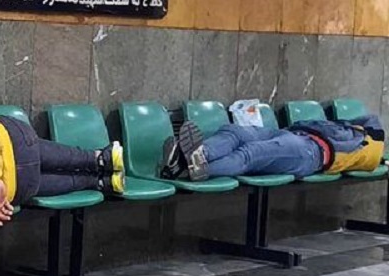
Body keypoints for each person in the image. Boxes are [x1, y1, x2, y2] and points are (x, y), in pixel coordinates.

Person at [161, 115, 385, 182]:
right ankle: (198, 156)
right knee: (234, 131)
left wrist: (362, 131)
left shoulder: (370, 145)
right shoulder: (354, 128)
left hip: (311, 153)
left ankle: (190, 169)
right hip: (291, 133)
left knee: (250, 153)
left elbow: (371, 125)